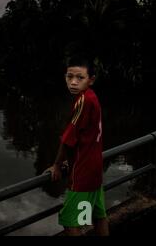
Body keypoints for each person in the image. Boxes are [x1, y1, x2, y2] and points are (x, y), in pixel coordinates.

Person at [46, 55, 109, 236]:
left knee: (69, 220)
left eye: (79, 78)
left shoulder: (83, 101)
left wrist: (57, 164)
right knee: (98, 214)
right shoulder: (92, 97)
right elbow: (84, 136)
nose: (73, 82)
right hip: (95, 168)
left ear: (91, 79)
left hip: (82, 172)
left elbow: (68, 139)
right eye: (69, 77)